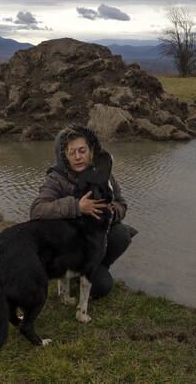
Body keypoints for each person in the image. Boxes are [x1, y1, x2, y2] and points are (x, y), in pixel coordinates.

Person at [29, 123, 136, 298]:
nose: (78, 157)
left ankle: (96, 267)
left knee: (122, 235)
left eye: (82, 151)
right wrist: (77, 207)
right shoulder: (56, 178)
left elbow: (121, 204)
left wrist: (110, 211)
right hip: (67, 247)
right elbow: (37, 210)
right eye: (72, 153)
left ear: (91, 151)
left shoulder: (103, 173)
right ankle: (69, 272)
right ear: (64, 155)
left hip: (93, 241)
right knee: (101, 287)